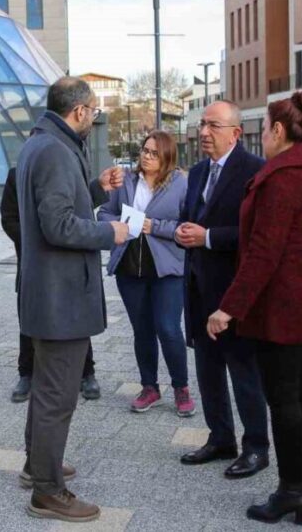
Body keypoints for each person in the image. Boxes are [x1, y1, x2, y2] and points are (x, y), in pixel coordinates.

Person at [208, 90, 302, 525]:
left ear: (279, 130)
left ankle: (291, 490)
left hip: (280, 309)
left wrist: (228, 308)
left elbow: (263, 252)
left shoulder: (282, 178)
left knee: (284, 402)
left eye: (263, 129)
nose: (261, 137)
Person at [17, 76, 129, 522]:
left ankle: (37, 465)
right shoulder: (56, 151)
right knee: (57, 396)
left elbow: (58, 205)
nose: (93, 119)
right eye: (93, 112)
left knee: (47, 388)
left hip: (49, 294)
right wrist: (108, 231)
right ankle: (47, 492)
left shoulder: (41, 143)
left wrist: (96, 189)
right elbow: (58, 225)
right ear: (79, 111)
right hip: (60, 297)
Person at [174, 99, 270, 479]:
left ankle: (256, 447)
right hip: (198, 288)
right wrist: (184, 231)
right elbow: (191, 218)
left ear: (236, 133)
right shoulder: (198, 172)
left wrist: (209, 237)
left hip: (234, 293)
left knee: (244, 372)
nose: (204, 132)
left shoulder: (255, 171)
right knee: (208, 370)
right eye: (202, 124)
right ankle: (220, 438)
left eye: (213, 125)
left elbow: (258, 235)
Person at [97, 131, 194, 416]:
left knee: (168, 328)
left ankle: (181, 387)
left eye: (154, 153)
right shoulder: (126, 180)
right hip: (130, 267)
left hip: (168, 269)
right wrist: (122, 224)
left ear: (167, 157)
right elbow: (104, 214)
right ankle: (149, 387)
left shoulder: (180, 184)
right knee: (142, 330)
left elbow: (187, 224)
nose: (147, 157)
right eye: (145, 150)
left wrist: (154, 226)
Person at [2, 166, 100, 403]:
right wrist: (38, 241)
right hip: (33, 262)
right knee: (29, 317)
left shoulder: (70, 168)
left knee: (78, 316)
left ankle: (87, 372)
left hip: (69, 259)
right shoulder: (18, 174)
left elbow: (83, 208)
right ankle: (26, 373)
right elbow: (9, 219)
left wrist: (100, 188)